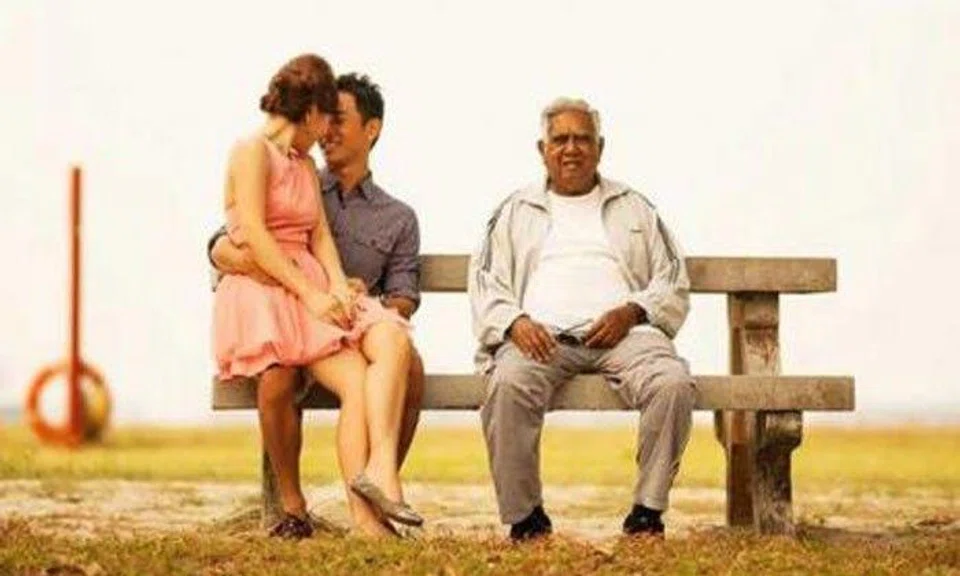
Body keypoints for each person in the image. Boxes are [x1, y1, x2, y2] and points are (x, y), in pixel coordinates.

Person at [211, 55, 421, 539]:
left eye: (336, 121)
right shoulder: (250, 150)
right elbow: (254, 234)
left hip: (310, 295)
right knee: (280, 379)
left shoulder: (301, 163)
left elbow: (320, 236)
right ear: (309, 113)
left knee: (361, 377)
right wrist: (310, 292)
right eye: (326, 118)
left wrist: (335, 285)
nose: (325, 132)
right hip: (270, 294)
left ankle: (367, 516)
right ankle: (295, 505)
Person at [468, 97, 696, 541]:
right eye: (560, 139)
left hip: (625, 336)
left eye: (582, 139)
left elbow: (672, 279)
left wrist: (631, 311)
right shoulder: (514, 210)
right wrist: (516, 323)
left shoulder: (635, 207)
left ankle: (646, 513)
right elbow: (485, 283)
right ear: (542, 149)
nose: (571, 148)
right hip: (541, 338)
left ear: (600, 147)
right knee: (508, 384)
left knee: (673, 385)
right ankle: (526, 519)